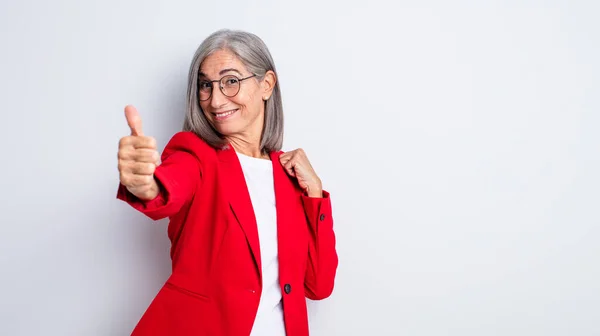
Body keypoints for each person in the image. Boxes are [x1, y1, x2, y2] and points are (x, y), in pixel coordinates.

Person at [116, 29, 338, 336]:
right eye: (206, 85)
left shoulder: (289, 176)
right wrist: (144, 183)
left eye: (230, 81)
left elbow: (318, 285)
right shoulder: (194, 154)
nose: (216, 99)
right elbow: (167, 188)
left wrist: (314, 195)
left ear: (266, 85)